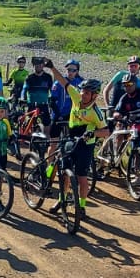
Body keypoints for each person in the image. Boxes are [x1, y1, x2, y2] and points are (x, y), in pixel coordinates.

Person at [45, 66, 110, 213]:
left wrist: (93, 133)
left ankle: (81, 206)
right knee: (64, 173)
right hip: (71, 138)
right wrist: (51, 67)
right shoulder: (76, 96)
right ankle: (61, 200)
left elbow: (106, 131)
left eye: (87, 93)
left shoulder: (96, 113)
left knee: (82, 178)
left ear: (94, 96)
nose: (83, 95)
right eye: (82, 91)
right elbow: (62, 81)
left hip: (85, 145)